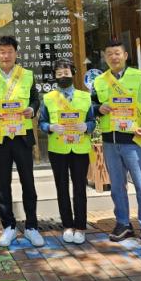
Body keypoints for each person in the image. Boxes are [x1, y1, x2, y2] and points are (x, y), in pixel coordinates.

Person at [92, 40, 141, 248]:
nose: (114, 57)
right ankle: (123, 223)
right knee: (117, 186)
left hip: (134, 140)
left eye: (117, 53)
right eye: (109, 54)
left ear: (126, 55)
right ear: (105, 57)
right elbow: (92, 105)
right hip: (110, 141)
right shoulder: (99, 81)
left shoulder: (140, 76)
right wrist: (98, 108)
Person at [0, 36, 44, 248]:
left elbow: (35, 99)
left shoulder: (27, 75)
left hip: (23, 136)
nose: (6, 56)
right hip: (1, 137)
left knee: (28, 182)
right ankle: (8, 226)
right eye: (2, 52)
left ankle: (32, 226)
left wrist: (32, 109)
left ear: (16, 53)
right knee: (3, 183)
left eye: (9, 51)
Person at [39, 60, 95, 244]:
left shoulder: (85, 97)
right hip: (58, 148)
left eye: (66, 72)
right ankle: (67, 226)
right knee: (61, 187)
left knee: (80, 187)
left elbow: (92, 121)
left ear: (73, 73)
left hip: (80, 148)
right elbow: (42, 123)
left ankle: (80, 227)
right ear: (54, 76)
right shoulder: (48, 98)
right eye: (59, 73)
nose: (63, 76)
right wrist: (50, 127)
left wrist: (86, 126)